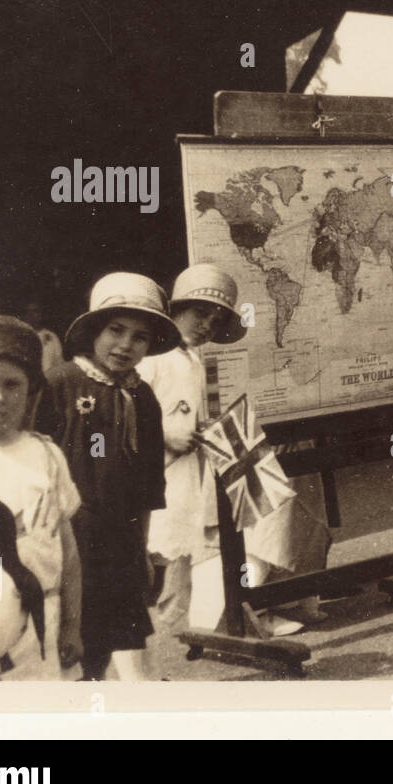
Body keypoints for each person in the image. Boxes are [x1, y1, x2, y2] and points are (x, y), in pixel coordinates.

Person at [34, 272, 178, 680]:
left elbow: (150, 484)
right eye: (116, 330)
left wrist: (142, 549)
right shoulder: (61, 383)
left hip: (121, 541)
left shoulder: (143, 397)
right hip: (70, 538)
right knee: (68, 640)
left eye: (140, 337)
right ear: (95, 329)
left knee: (114, 637)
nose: (125, 346)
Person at [0, 314, 83, 680]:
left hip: (46, 626)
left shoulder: (47, 456)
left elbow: (67, 554)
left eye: (12, 385)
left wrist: (71, 626)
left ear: (31, 391)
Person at [135, 264, 246, 633]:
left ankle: (183, 622)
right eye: (199, 314)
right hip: (161, 462)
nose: (205, 326)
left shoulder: (195, 360)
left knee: (186, 538)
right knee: (163, 540)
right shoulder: (152, 359)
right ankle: (161, 621)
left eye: (214, 322)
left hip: (189, 467)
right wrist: (166, 436)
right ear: (176, 310)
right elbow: (132, 408)